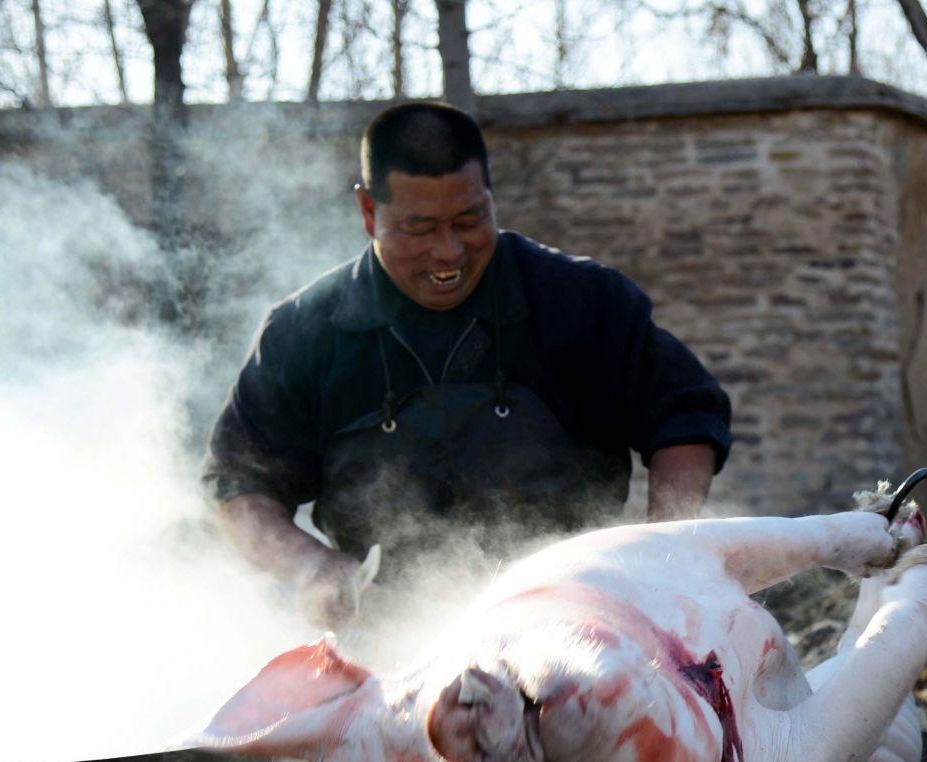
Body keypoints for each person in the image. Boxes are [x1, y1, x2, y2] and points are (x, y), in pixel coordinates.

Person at [204, 101, 732, 628]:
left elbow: (684, 413)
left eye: (469, 219)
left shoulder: (580, 299)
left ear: (490, 197)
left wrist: (664, 557)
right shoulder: (302, 333)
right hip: (388, 638)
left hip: (576, 627)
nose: (449, 252)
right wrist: (312, 566)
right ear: (369, 212)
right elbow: (237, 485)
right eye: (420, 227)